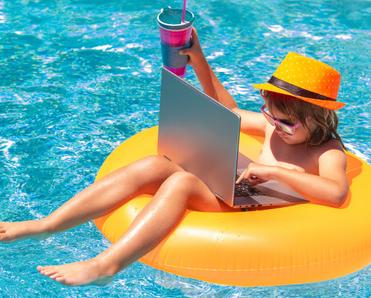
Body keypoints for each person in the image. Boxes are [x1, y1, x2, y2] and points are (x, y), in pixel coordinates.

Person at [0, 28, 349, 286]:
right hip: (240, 188)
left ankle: (106, 265)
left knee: (181, 180)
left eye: (284, 121)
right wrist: (197, 58)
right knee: (157, 164)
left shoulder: (326, 150)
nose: (273, 124)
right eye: (268, 114)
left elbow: (336, 194)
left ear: (317, 117)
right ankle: (44, 225)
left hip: (258, 205)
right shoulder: (277, 125)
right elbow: (228, 110)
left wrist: (276, 174)